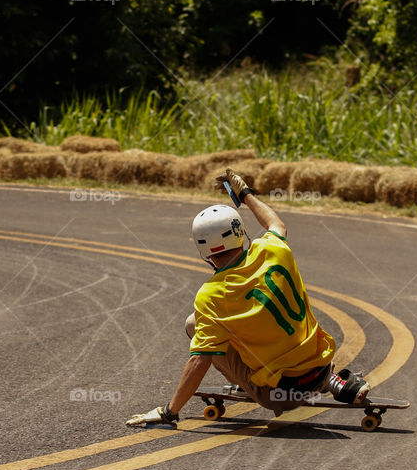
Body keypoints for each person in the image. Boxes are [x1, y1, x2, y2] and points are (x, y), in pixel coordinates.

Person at [126, 169, 370, 428]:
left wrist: (169, 412)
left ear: (203, 250)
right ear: (240, 232)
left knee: (193, 325)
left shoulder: (211, 294)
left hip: (280, 394)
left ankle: (253, 383)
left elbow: (200, 360)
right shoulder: (273, 249)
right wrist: (245, 194)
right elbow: (276, 224)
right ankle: (330, 380)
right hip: (319, 365)